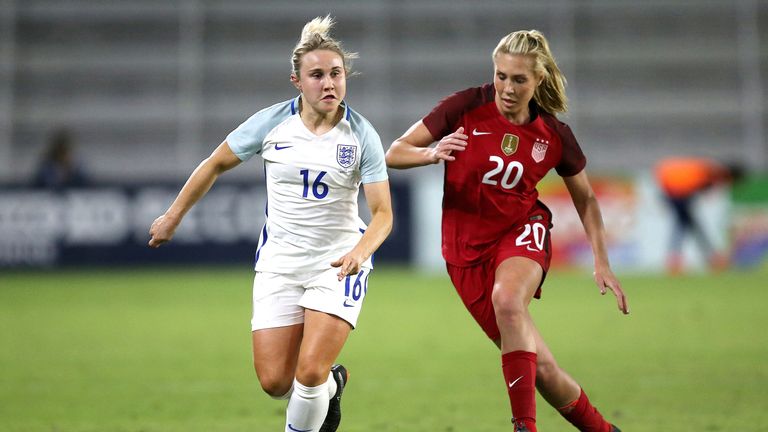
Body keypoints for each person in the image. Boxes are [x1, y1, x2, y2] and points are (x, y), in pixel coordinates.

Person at [148, 16, 393, 432]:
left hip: (336, 267)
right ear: (297, 81)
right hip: (279, 264)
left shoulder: (361, 136)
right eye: (317, 75)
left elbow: (383, 214)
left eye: (336, 74)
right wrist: (172, 217)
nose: (329, 83)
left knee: (309, 371)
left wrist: (359, 252)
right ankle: (334, 384)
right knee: (275, 381)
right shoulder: (271, 124)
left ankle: (319, 386)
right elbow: (214, 164)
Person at [386, 29, 629, 432]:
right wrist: (432, 153)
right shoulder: (465, 106)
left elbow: (585, 199)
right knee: (544, 370)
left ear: (539, 80)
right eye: (501, 76)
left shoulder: (554, 135)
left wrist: (601, 261)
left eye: (519, 79)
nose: (507, 87)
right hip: (465, 253)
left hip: (522, 230)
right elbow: (395, 151)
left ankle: (523, 426)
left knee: (508, 298)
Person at [654, 157, 741, 274]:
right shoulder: (713, 173)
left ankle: (676, 259)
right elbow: (700, 186)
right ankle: (710, 258)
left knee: (684, 224)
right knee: (688, 225)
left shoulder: (710, 171)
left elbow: (696, 187)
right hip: (676, 190)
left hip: (675, 188)